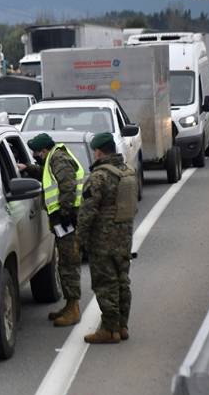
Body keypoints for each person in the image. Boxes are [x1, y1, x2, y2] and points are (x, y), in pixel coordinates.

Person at [77, 132, 138, 344]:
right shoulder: (128, 172)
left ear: (98, 152)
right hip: (124, 237)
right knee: (122, 281)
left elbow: (87, 212)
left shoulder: (98, 177)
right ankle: (122, 326)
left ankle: (109, 330)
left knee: (105, 283)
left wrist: (79, 240)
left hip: (102, 240)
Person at [27, 133, 84, 327]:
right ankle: (69, 306)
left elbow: (67, 185)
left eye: (36, 152)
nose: (35, 155)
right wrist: (29, 169)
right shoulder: (53, 157)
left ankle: (73, 309)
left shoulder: (58, 159)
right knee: (65, 265)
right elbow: (47, 175)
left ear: (44, 150)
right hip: (64, 220)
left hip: (67, 220)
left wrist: (65, 213)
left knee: (69, 264)